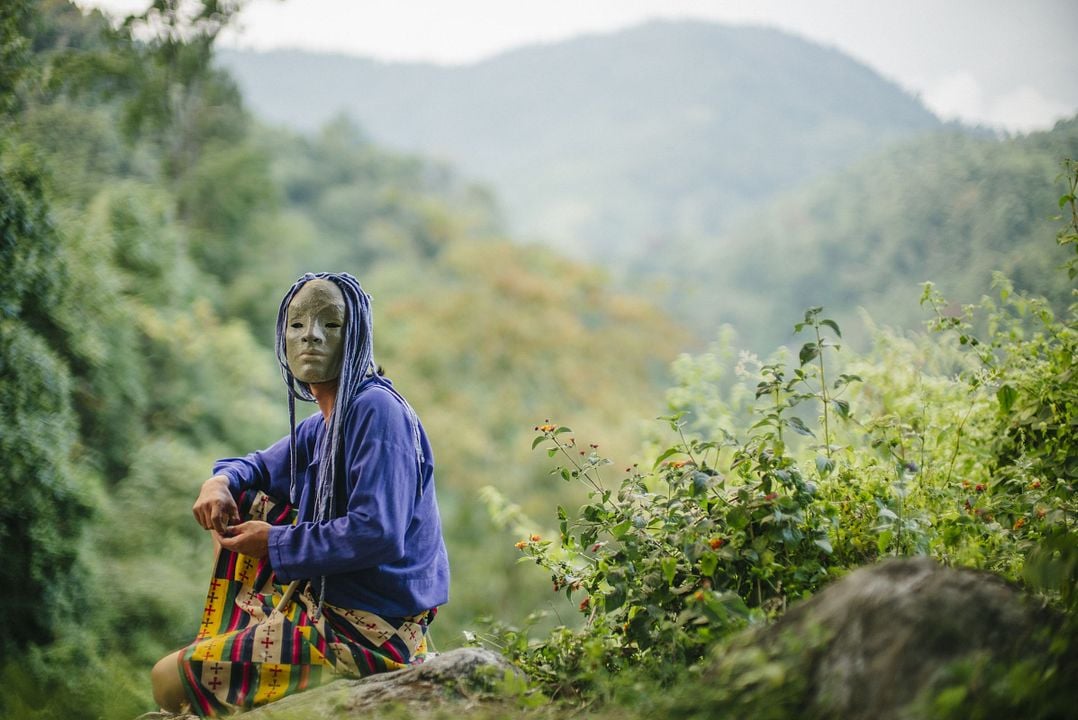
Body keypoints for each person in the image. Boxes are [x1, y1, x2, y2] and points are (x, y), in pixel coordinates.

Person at [150, 272, 450, 716]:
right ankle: (254, 638)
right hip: (330, 608)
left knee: (166, 679)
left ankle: (265, 657)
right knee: (247, 495)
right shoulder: (323, 423)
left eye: (330, 324)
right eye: (297, 324)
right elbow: (253, 467)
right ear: (282, 340)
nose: (310, 336)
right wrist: (217, 483)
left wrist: (271, 543)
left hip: (370, 630)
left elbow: (378, 533)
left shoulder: (376, 411)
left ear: (357, 337)